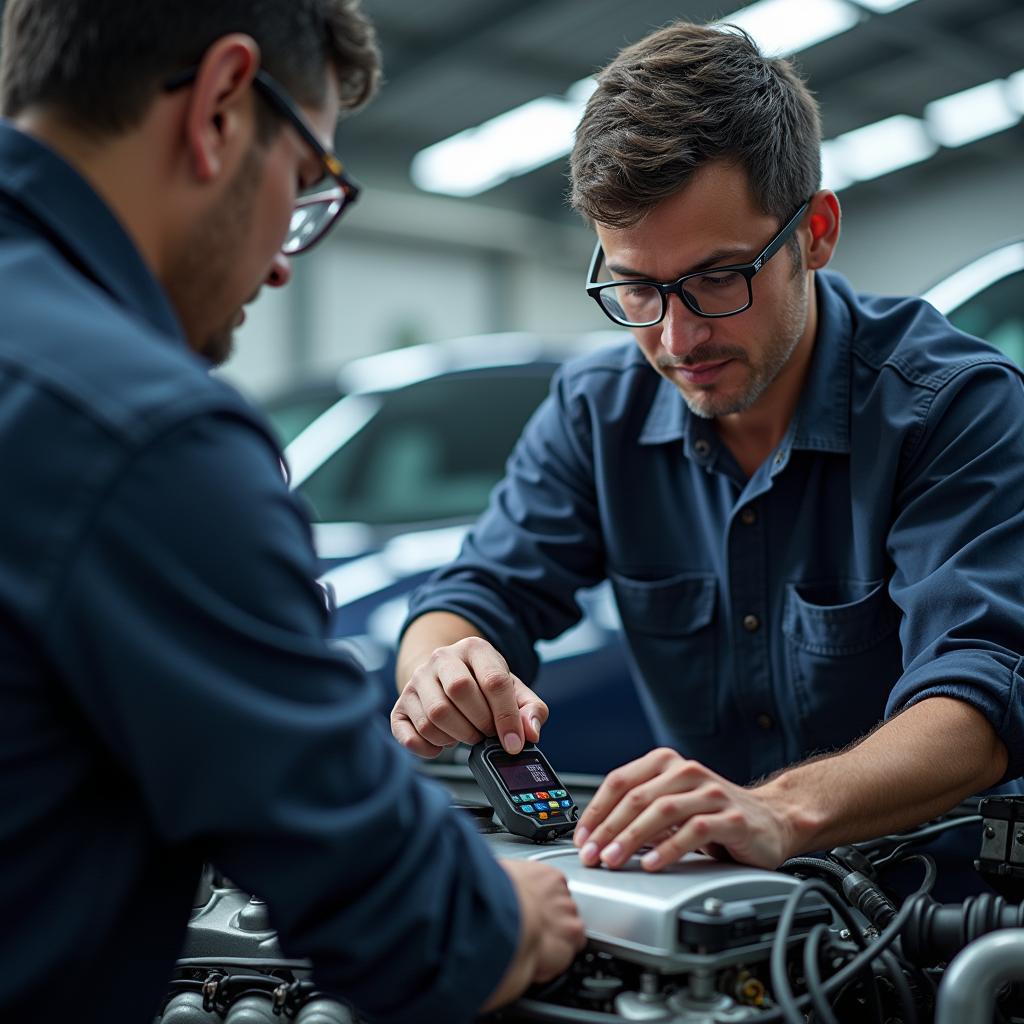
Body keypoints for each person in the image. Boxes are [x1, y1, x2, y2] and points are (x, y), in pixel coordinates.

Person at [0, 2, 585, 1021]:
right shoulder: (146, 433)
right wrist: (510, 912)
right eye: (308, 184)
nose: (281, 260)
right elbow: (413, 932)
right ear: (222, 105)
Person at [393, 20, 1024, 896]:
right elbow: (474, 596)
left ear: (816, 233)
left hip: (940, 922)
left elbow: (981, 695)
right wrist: (441, 663)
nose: (678, 337)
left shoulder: (954, 407)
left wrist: (780, 811)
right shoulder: (596, 413)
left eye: (719, 278)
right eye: (638, 288)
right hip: (715, 909)